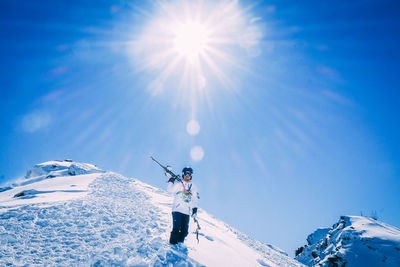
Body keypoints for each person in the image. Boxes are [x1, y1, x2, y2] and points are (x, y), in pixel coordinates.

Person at [166, 166, 199, 245]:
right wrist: (171, 180)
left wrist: (194, 210)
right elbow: (170, 190)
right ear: (183, 174)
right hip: (177, 210)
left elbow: (194, 199)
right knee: (176, 229)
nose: (187, 176)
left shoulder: (193, 186)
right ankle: (172, 245)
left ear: (191, 176)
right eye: (186, 174)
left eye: (189, 174)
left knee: (184, 232)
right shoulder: (179, 183)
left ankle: (179, 245)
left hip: (186, 212)